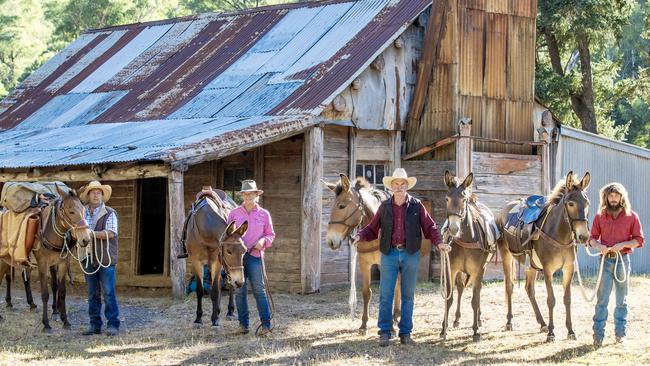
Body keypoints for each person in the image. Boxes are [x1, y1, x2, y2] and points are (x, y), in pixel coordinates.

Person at [352, 168, 449, 346]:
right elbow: (372, 228)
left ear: (406, 186)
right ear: (391, 187)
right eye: (395, 184)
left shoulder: (417, 206)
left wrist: (439, 243)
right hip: (389, 254)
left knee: (408, 295)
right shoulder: (385, 206)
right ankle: (385, 332)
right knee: (386, 294)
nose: (399, 187)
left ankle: (405, 333)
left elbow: (430, 227)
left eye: (402, 184)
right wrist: (359, 236)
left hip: (410, 254)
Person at [589, 182, 644, 348]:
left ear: (622, 197)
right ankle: (598, 336)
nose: (613, 199)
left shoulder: (631, 216)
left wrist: (623, 244)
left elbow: (639, 240)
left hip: (623, 260)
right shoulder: (600, 216)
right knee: (602, 300)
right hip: (605, 261)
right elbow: (592, 239)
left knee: (622, 300)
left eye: (616, 195)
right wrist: (600, 247)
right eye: (610, 195)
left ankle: (620, 334)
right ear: (605, 197)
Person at [227, 180, 275, 336]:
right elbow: (228, 236)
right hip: (237, 259)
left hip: (255, 256)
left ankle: (266, 325)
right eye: (245, 193)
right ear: (242, 195)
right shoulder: (234, 213)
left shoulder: (264, 214)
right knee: (239, 291)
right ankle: (243, 325)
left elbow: (270, 234)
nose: (248, 196)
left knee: (259, 291)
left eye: (251, 193)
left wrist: (263, 241)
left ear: (256, 195)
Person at [79, 181, 120, 337]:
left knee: (109, 292)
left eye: (98, 193)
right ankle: (95, 325)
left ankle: (113, 325)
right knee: (92, 293)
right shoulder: (81, 213)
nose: (96, 195)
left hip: (105, 258)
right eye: (93, 193)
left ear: (102, 196)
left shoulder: (109, 212)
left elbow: (110, 233)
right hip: (87, 257)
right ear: (88, 196)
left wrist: (91, 234)